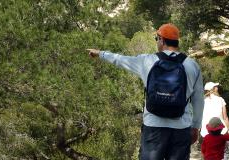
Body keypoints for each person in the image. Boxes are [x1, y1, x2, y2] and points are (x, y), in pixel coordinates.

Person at [86, 23, 204, 160]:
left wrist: (101, 53)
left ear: (162, 40)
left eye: (157, 39)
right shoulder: (192, 65)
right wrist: (195, 127)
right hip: (181, 127)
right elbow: (198, 99)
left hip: (153, 126)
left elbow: (120, 60)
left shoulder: (147, 61)